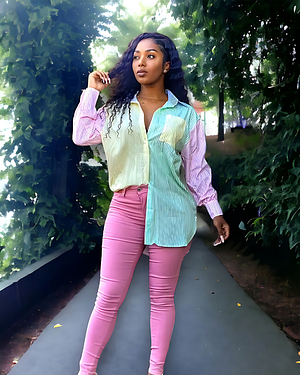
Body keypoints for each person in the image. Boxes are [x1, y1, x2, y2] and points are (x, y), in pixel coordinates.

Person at [73, 32, 229, 375]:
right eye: (136, 56)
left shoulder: (186, 116)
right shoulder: (115, 112)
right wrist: (91, 92)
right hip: (125, 208)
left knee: (161, 300)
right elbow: (82, 135)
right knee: (108, 296)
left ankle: (155, 371)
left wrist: (214, 211)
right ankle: (86, 370)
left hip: (172, 211)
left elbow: (196, 171)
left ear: (167, 64)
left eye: (151, 55)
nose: (141, 62)